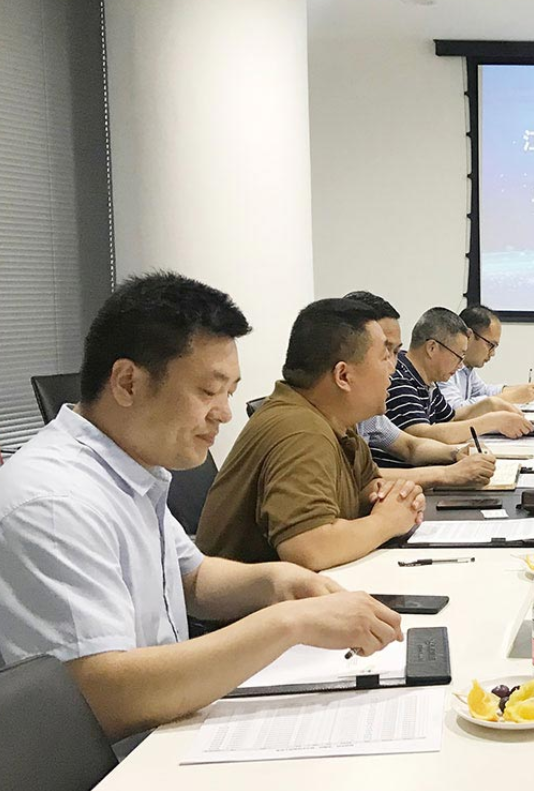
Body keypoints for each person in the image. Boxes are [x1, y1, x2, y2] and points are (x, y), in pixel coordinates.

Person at [0, 273, 403, 742]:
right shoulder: (55, 502)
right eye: (208, 391)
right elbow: (103, 698)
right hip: (121, 758)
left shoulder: (131, 469)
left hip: (167, 722)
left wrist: (279, 583)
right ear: (128, 382)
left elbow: (191, 577)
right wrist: (288, 623)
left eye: (229, 392)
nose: (225, 413)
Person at [196, 298, 426, 571]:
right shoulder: (302, 431)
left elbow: (368, 492)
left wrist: (399, 498)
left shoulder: (336, 422)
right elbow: (308, 548)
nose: (393, 369)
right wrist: (386, 522)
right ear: (343, 376)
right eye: (384, 357)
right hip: (248, 598)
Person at [343, 292, 496, 487]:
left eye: (394, 352)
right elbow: (359, 481)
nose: (392, 366)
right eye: (384, 352)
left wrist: (457, 453)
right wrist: (446, 473)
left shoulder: (368, 415)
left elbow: (410, 446)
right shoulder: (398, 381)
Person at [381, 307, 531, 459]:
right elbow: (421, 435)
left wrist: (489, 405)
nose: (460, 366)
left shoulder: (428, 380)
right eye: (459, 356)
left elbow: (451, 418)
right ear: (432, 348)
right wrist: (492, 421)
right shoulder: (399, 378)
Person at [438, 304, 534, 413]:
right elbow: (453, 411)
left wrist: (522, 390)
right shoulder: (444, 366)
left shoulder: (467, 368)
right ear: (469, 335)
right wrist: (510, 397)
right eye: (490, 345)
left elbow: (483, 391)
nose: (493, 353)